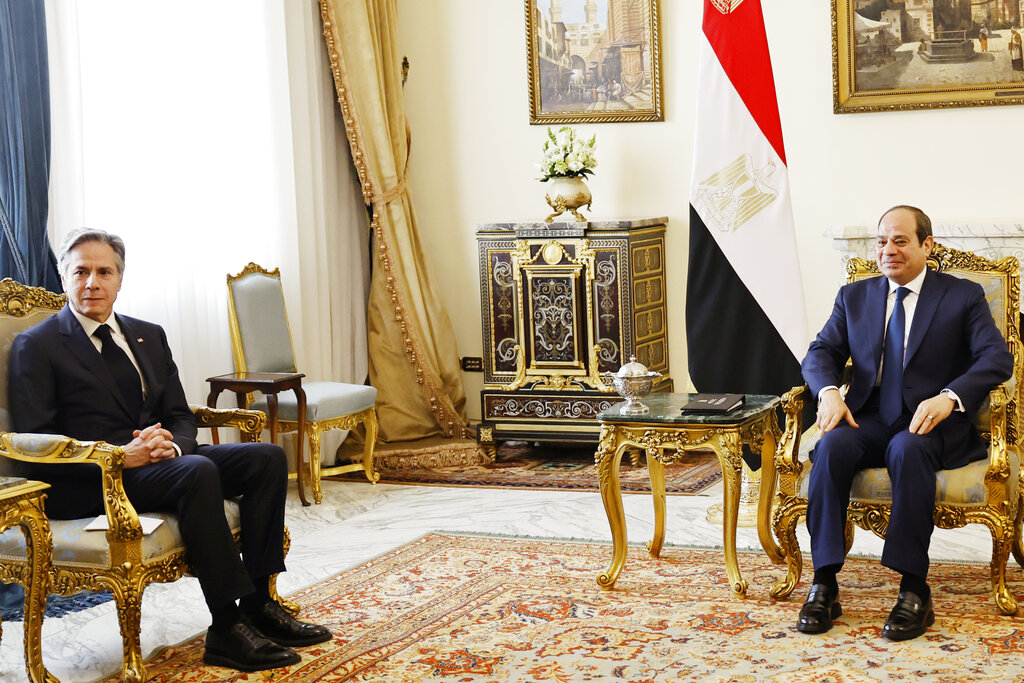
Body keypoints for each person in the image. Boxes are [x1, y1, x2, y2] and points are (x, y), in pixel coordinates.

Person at [8, 228, 332, 672]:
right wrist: (123, 454)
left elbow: (180, 414)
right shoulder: (37, 345)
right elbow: (34, 438)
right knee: (198, 471)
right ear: (63, 277)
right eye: (80, 271)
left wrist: (173, 447)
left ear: (120, 279)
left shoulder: (147, 334)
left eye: (104, 271)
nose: (92, 282)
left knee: (265, 459)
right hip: (90, 476)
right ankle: (226, 627)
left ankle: (260, 603)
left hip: (160, 461)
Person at [797, 206, 1012, 641]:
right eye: (881, 242)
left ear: (926, 245)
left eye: (900, 240)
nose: (888, 250)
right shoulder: (853, 296)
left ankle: (914, 588)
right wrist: (830, 391)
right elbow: (820, 353)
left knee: (907, 449)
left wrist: (949, 397)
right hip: (870, 415)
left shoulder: (962, 295)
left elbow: (996, 358)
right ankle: (824, 582)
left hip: (929, 423)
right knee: (833, 446)